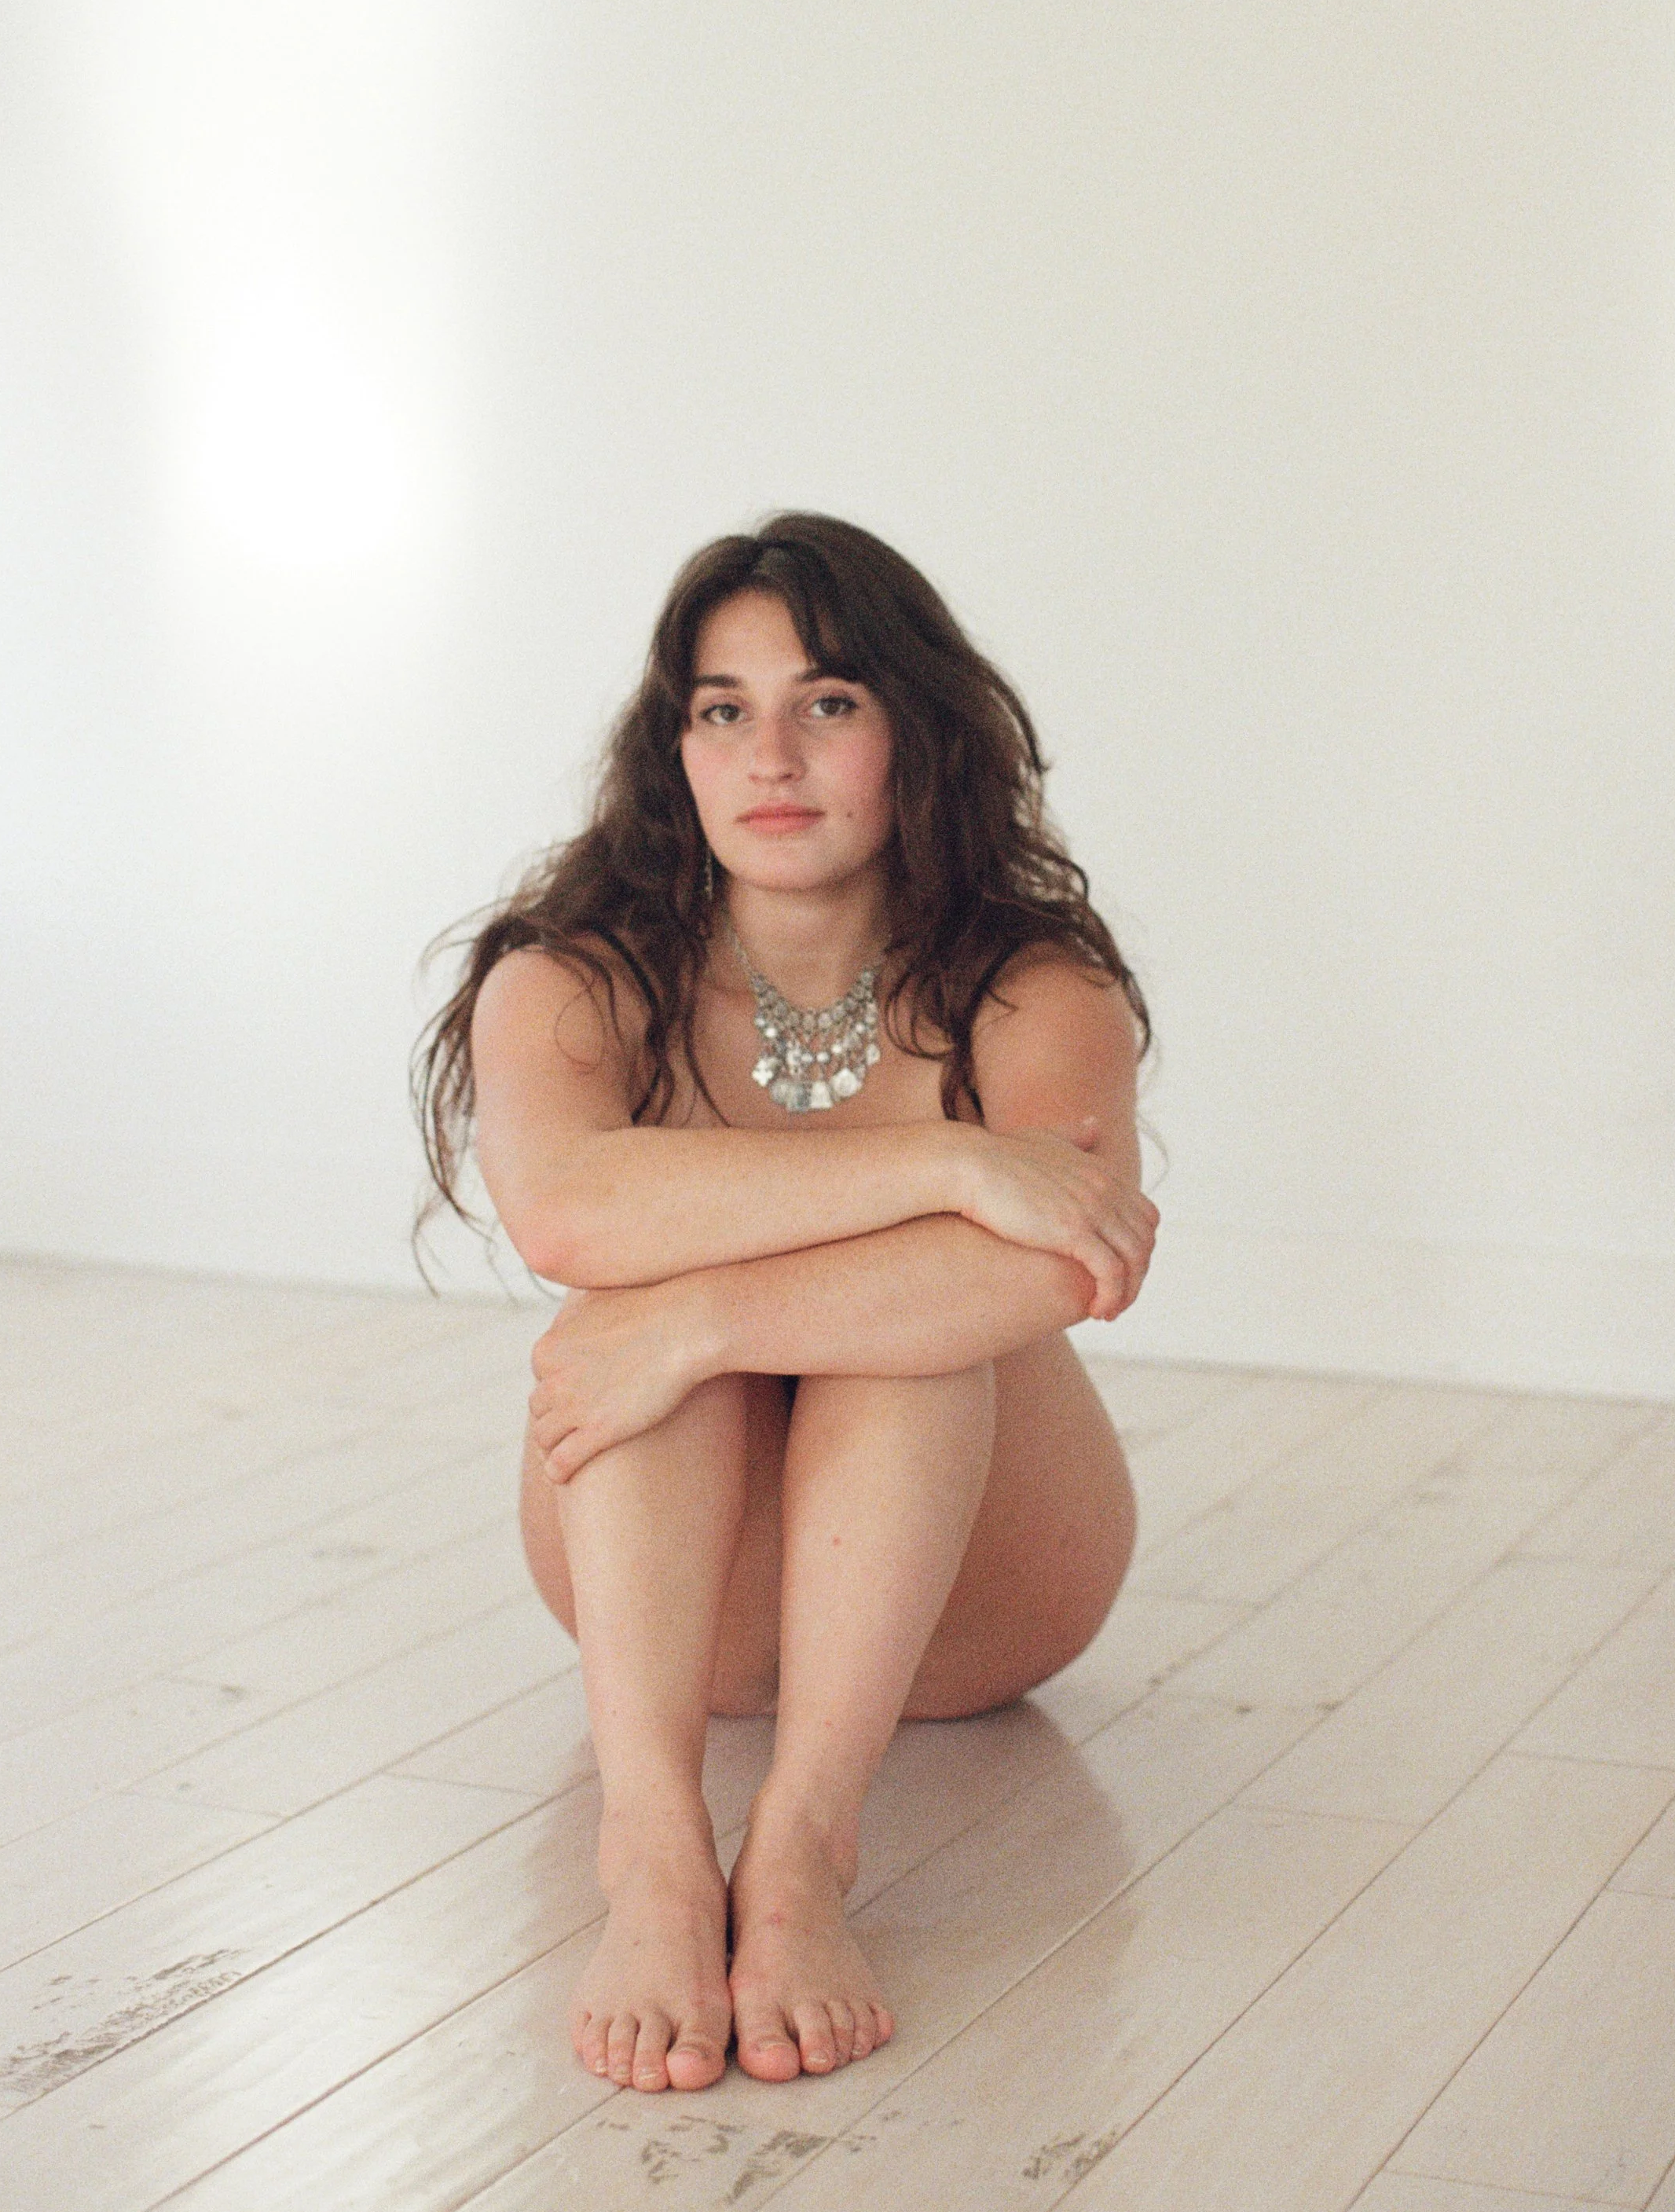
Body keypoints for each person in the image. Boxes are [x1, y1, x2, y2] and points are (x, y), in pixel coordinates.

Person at [415, 513, 1156, 2100]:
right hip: (673, 1599)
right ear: (670, 743)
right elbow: (565, 1208)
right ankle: (660, 1850)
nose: (771, 749)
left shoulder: (1037, 985)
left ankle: (806, 1852)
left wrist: (698, 1315)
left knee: (907, 1336)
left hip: (981, 1595)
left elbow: (1055, 1262)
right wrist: (954, 1160)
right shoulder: (574, 978)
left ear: (918, 732)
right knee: (707, 1286)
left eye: (827, 702)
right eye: (720, 705)